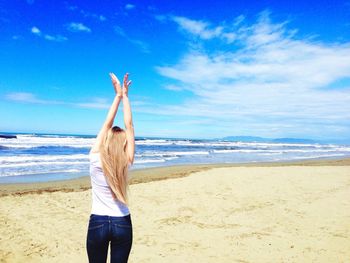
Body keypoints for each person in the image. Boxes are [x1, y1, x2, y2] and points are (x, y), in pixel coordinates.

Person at [86, 72, 135, 263]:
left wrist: (117, 96)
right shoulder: (126, 160)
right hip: (122, 222)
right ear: (123, 144)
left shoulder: (94, 158)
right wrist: (126, 97)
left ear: (106, 141)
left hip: (98, 221)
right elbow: (129, 126)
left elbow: (106, 125)